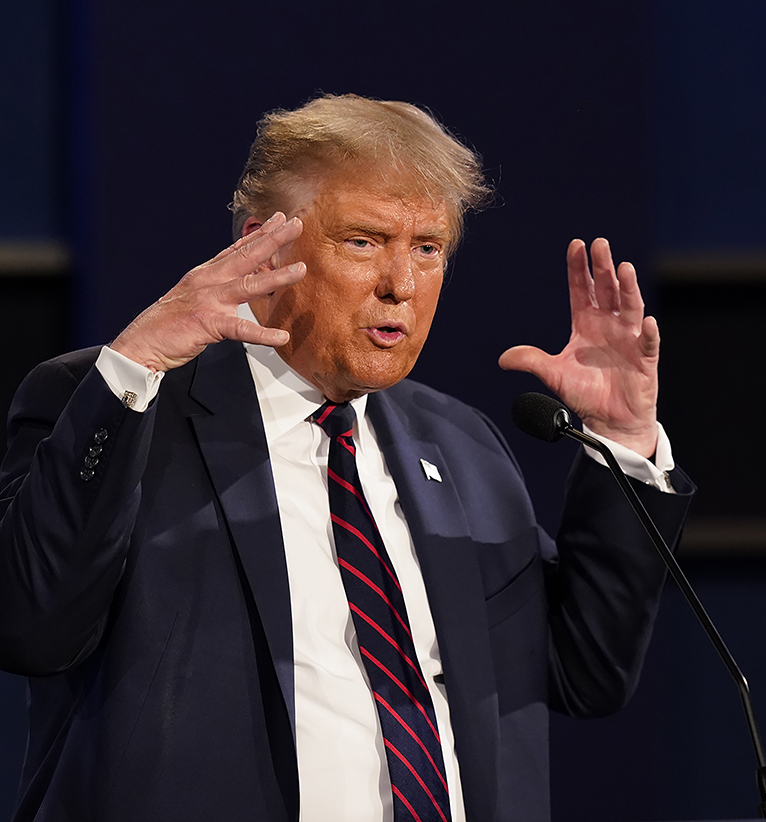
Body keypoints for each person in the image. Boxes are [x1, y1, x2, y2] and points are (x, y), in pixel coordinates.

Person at [0, 95, 692, 822]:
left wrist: (622, 443)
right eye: (363, 241)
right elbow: (30, 624)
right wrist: (133, 366)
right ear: (262, 245)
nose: (401, 284)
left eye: (427, 247)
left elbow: (585, 672)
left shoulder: (460, 446)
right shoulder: (119, 403)